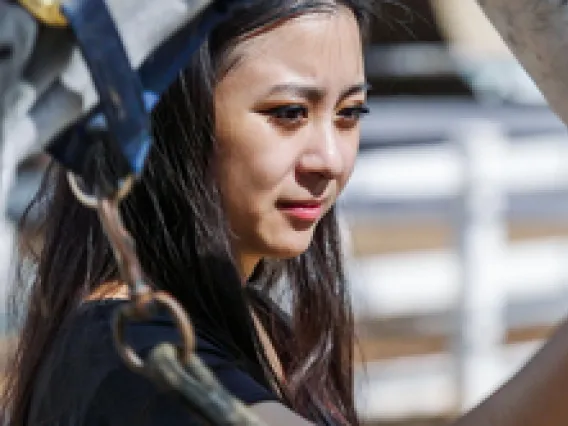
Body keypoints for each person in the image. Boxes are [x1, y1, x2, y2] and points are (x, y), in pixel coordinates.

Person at [4, 0, 568, 425]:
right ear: (174, 119)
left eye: (350, 113)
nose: (330, 159)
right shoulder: (134, 360)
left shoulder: (244, 323)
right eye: (290, 113)